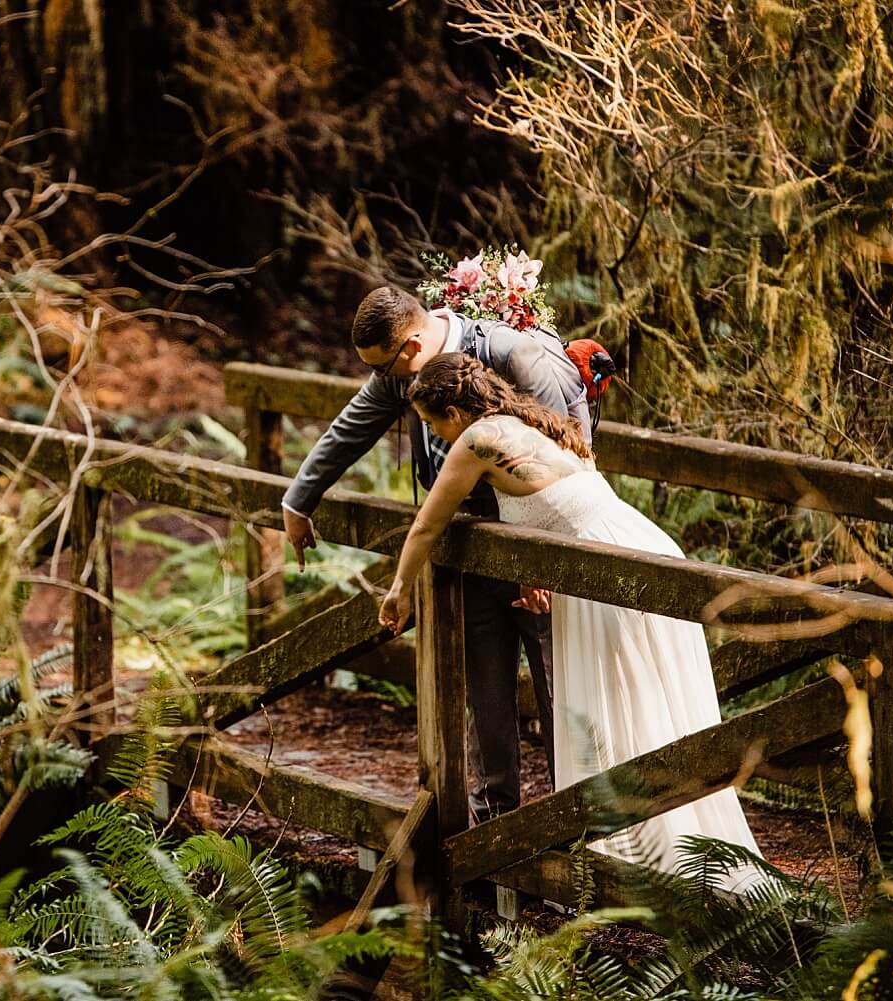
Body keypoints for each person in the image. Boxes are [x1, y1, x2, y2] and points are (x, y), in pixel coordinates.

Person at [377, 352, 766, 887]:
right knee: (641, 699)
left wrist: (399, 589)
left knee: (607, 703)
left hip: (605, 570)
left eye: (431, 424)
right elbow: (550, 512)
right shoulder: (529, 421)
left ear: (451, 412)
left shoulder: (476, 442)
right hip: (636, 549)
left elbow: (427, 525)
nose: (434, 435)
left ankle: (630, 855)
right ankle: (651, 841)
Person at [281, 285, 590, 822]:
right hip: (466, 554)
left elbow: (571, 454)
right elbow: (347, 432)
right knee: (485, 693)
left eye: (384, 367)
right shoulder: (397, 375)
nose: (383, 382)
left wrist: (542, 561)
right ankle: (493, 826)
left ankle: (577, 827)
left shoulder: (510, 353)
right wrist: (298, 500)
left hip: (541, 554)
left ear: (411, 346)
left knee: (561, 692)